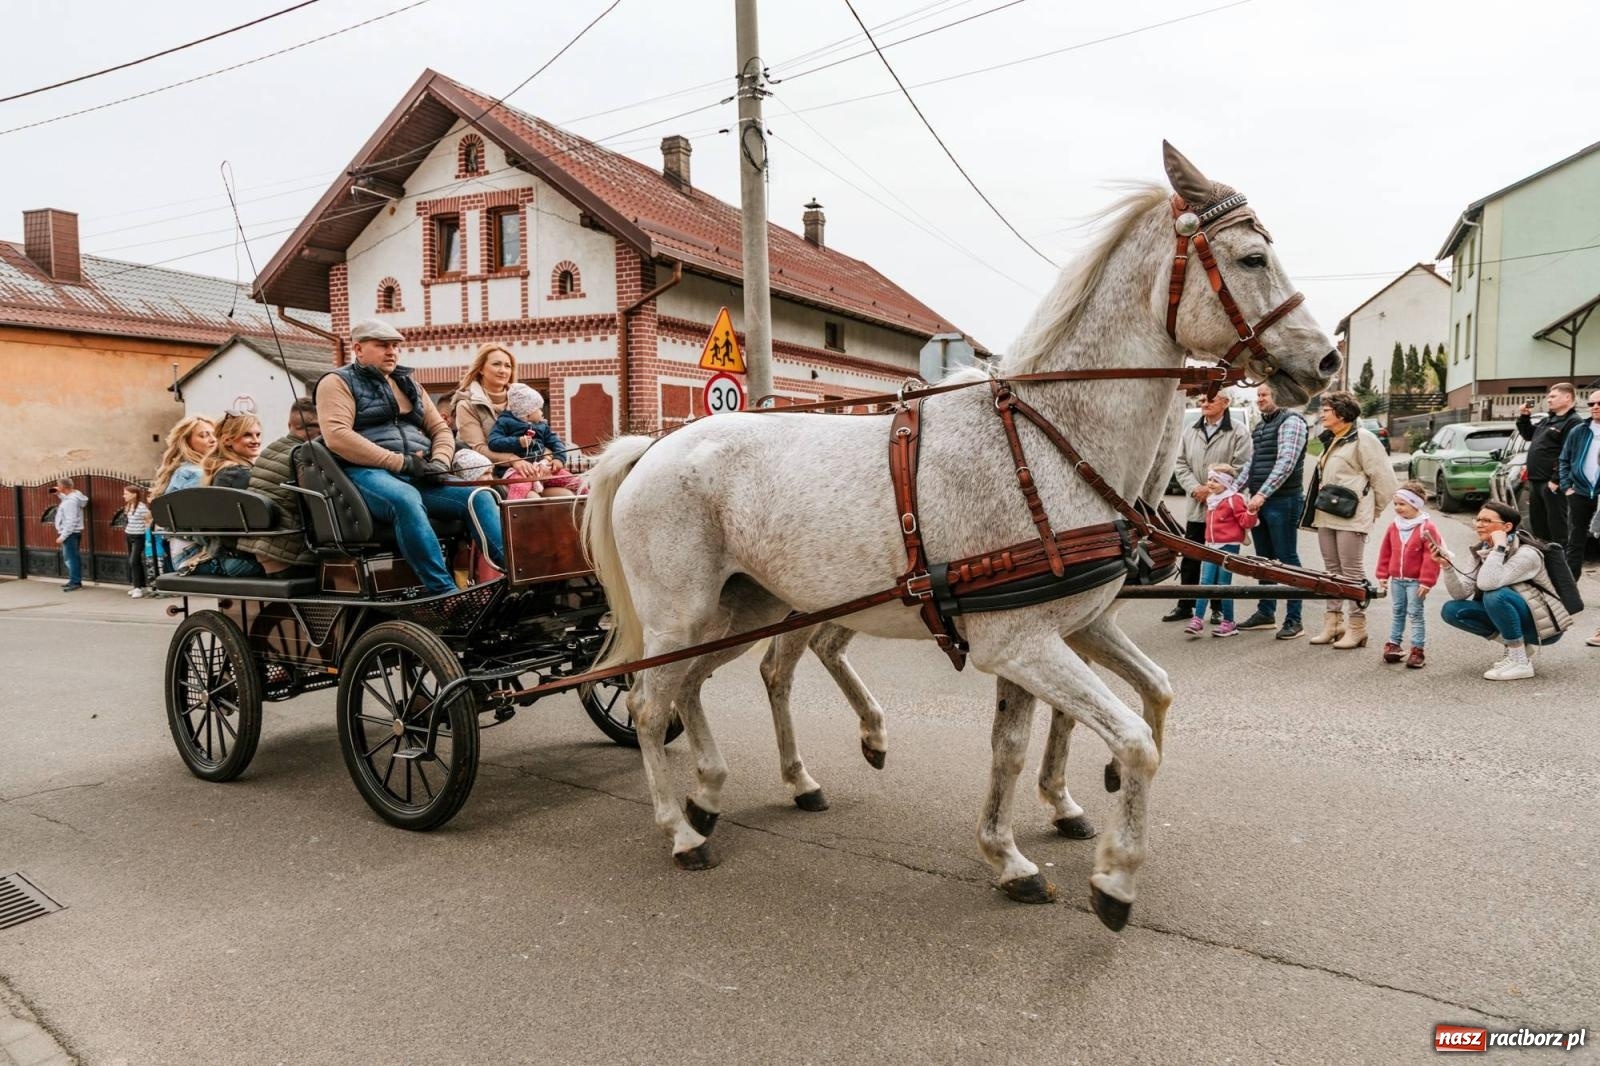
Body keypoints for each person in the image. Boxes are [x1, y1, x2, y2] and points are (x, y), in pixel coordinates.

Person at [316, 319, 506, 595]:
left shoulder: (409, 384)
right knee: (405, 499)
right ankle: (444, 594)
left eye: (395, 346)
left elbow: (440, 428)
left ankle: (515, 576)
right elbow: (338, 436)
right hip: (364, 473)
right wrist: (400, 462)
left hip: (417, 472)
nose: (392, 351)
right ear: (358, 348)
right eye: (382, 345)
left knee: (479, 497)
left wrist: (440, 461)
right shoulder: (337, 382)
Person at [1434, 502, 1571, 680]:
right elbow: (1460, 593)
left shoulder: (1527, 554)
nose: (1479, 524)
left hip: (1542, 629)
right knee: (1452, 610)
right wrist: (1447, 567)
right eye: (1478, 519)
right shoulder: (1481, 551)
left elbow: (1488, 583)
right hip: (1517, 618)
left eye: (1487, 520)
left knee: (1495, 595)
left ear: (1506, 527)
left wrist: (1499, 548)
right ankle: (1519, 649)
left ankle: (1520, 662)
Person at [1304, 390, 1398, 649]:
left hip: (1351, 518)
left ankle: (1357, 628)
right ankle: (1334, 623)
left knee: (1352, 574)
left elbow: (1385, 481)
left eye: (1326, 409)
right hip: (1327, 515)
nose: (1322, 413)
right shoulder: (1333, 439)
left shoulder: (1364, 440)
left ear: (1342, 413)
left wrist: (1370, 512)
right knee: (1331, 571)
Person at [1162, 391, 1251, 623]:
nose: (1205, 404)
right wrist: (1195, 488)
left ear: (1225, 403)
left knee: (1220, 560)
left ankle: (1217, 608)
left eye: (1210, 400)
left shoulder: (1239, 431)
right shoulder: (1190, 430)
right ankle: (1186, 604)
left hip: (1224, 510)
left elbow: (1241, 467)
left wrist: (1213, 490)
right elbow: (1180, 464)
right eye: (1203, 400)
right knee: (1191, 555)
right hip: (1198, 505)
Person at [1239, 382, 1310, 639]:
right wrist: (1233, 492)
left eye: (1264, 394)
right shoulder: (1261, 426)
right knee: (1263, 561)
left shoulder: (1291, 421)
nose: (1259, 399)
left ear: (1279, 396)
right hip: (1262, 502)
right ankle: (1266, 613)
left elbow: (1286, 462)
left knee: (1287, 560)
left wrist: (1261, 494)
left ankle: (1295, 620)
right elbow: (1252, 463)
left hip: (1283, 501)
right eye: (1257, 395)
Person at [236, 398, 321, 575]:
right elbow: (319, 507)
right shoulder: (304, 455)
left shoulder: (270, 450)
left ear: (290, 424)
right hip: (289, 557)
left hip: (262, 548)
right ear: (322, 427)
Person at [451, 343, 545, 484]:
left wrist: (550, 458)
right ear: (481, 369)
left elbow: (545, 434)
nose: (503, 370)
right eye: (496, 364)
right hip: (491, 475)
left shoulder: (524, 399)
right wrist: (513, 460)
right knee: (531, 499)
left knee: (569, 495)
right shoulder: (466, 405)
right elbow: (479, 448)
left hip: (533, 468)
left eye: (508, 366)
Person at [1184, 465, 1256, 637]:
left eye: (1216, 480)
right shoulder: (1212, 499)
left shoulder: (1234, 499)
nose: (1211, 483)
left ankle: (1229, 622)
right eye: (1210, 479)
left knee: (1224, 585)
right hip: (1212, 546)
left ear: (1226, 483)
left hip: (1229, 547)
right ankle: (1197, 619)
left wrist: (1251, 512)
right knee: (1206, 582)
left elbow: (1245, 522)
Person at [1374, 481, 1440, 669]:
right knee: (1397, 611)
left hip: (1416, 582)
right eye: (1395, 504)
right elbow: (1385, 551)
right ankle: (1393, 645)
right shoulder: (1394, 526)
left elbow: (1432, 556)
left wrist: (1427, 581)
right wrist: (1382, 574)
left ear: (1415, 504)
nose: (1397, 508)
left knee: (1415, 614)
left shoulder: (1426, 527)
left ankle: (1417, 650)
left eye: (1402, 504)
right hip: (1397, 580)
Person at [151, 415, 217, 579]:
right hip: (195, 555)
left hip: (189, 552)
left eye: (213, 434)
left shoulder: (191, 469)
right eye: (203, 435)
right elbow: (198, 523)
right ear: (187, 442)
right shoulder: (193, 473)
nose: (212, 439)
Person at [1515, 383, 1581, 543]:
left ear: (1567, 397)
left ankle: (1560, 564)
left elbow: (1571, 453)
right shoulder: (1548, 420)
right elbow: (1528, 435)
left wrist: (1556, 479)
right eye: (1548, 396)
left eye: (1553, 396)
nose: (1548, 400)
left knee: (1557, 528)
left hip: (1552, 483)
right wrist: (1524, 416)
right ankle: (1544, 562)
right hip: (1536, 480)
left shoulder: (1573, 422)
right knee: (1539, 527)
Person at [488, 383, 578, 498]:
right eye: (539, 409)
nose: (542, 412)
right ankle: (511, 513)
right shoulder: (505, 422)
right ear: (527, 413)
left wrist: (559, 459)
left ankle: (590, 505)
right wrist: (517, 442)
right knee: (519, 487)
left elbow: (556, 442)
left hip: (543, 468)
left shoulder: (542, 426)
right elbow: (494, 442)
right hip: (518, 471)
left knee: (575, 481)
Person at [1556, 387, 1600, 581]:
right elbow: (1564, 460)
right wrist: (1566, 487)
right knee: (1575, 541)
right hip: (1579, 493)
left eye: (1599, 404)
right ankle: (1570, 588)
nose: (1595, 407)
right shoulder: (1579, 430)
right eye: (1591, 404)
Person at [201, 412, 264, 489]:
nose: (256, 441)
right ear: (227, 440)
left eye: (258, 435)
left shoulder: (224, 468)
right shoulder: (238, 473)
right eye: (247, 435)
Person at [52, 478, 89, 591]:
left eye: (59, 485)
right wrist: (59, 494)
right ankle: (73, 580)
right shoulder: (73, 497)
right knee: (70, 557)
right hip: (72, 532)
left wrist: (63, 536)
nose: (57, 486)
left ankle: (75, 582)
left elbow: (71, 520)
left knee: (72, 558)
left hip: (70, 533)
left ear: (64, 487)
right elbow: (68, 500)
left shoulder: (71, 501)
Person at [120, 484, 154, 598]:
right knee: (135, 561)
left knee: (133, 561)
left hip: (139, 536)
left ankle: (137, 588)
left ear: (134, 494)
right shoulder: (129, 506)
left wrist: (148, 535)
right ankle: (141, 585)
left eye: (126, 494)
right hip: (129, 535)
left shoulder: (141, 507)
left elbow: (148, 521)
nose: (123, 496)